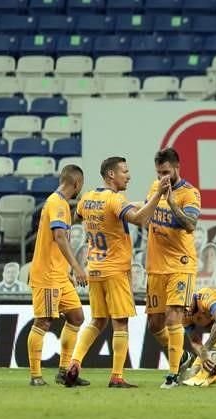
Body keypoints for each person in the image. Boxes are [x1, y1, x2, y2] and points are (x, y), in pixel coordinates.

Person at [65, 157, 170, 388]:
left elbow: (78, 218)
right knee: (120, 323)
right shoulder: (115, 199)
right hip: (115, 270)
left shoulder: (87, 198)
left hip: (94, 268)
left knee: (97, 320)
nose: (129, 175)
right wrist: (158, 195)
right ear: (111, 175)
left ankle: (74, 363)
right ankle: (117, 376)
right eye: (125, 171)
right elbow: (140, 219)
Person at [26, 164, 88, 387]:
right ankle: (35, 375)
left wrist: (67, 270)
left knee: (76, 317)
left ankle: (63, 371)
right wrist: (77, 267)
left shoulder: (57, 202)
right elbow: (59, 237)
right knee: (43, 321)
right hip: (48, 275)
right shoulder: (58, 203)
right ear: (77, 183)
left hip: (59, 274)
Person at [145, 147, 202, 389]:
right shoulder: (154, 187)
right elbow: (147, 215)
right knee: (155, 324)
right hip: (156, 266)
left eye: (166, 172)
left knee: (173, 317)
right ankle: (184, 357)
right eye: (159, 173)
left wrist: (170, 202)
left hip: (181, 265)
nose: (162, 178)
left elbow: (190, 224)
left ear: (177, 168)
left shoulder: (190, 193)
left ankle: (172, 374)